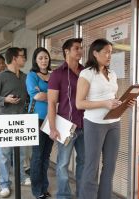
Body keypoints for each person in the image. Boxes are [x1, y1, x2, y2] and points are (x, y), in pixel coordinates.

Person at [76, 38, 135, 199]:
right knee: (91, 167)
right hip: (94, 124)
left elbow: (112, 98)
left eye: (111, 52)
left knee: (109, 167)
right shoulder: (87, 73)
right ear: (95, 53)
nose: (110, 55)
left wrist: (124, 103)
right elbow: (79, 103)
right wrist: (104, 103)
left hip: (114, 123)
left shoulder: (112, 74)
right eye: (106, 52)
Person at [0, 47, 31, 198]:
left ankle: (21, 177)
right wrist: (5, 100)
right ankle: (5, 184)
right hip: (5, 120)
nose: (24, 59)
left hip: (22, 120)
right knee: (4, 155)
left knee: (20, 153)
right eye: (22, 56)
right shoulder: (0, 77)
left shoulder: (26, 77)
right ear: (14, 58)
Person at [48, 38, 85, 199]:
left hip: (85, 125)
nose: (80, 51)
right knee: (62, 164)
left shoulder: (86, 72)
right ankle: (63, 195)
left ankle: (82, 193)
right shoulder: (57, 74)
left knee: (84, 162)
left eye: (81, 48)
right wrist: (52, 128)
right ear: (66, 51)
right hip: (66, 126)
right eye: (76, 48)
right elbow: (51, 102)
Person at [26, 47, 53, 199]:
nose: (44, 60)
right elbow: (36, 96)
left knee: (46, 155)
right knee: (37, 155)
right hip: (37, 119)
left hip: (52, 119)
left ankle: (44, 186)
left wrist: (47, 95)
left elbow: (55, 94)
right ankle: (37, 191)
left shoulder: (53, 75)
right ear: (36, 60)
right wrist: (53, 95)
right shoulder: (31, 75)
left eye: (46, 58)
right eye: (40, 58)